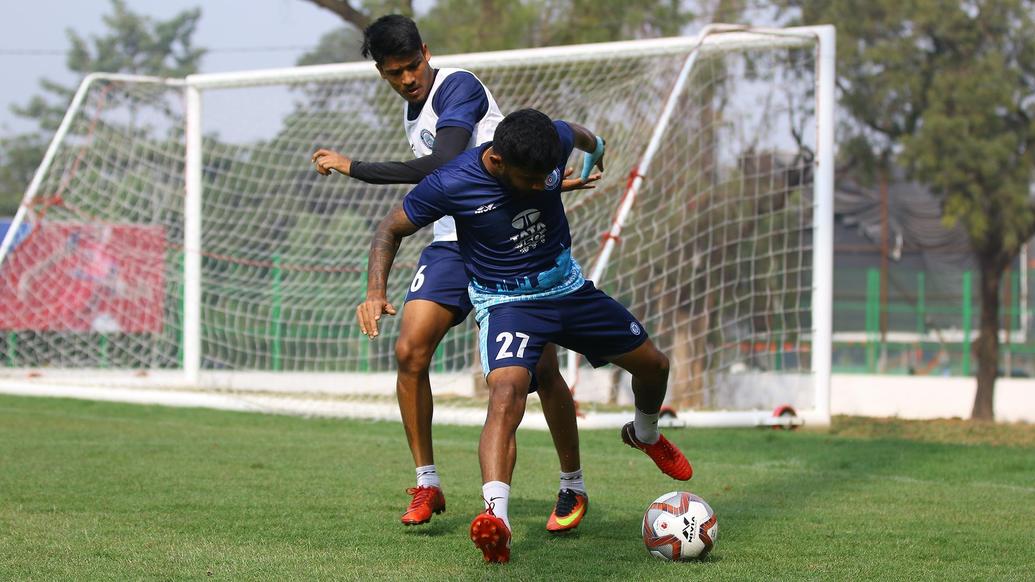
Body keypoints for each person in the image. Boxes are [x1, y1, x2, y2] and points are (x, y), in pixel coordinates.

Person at [357, 108, 693, 564]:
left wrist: (594, 158)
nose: (542, 186)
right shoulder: (451, 182)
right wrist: (376, 290)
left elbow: (587, 138)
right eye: (530, 180)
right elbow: (390, 229)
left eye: (546, 178)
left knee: (655, 366)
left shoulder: (548, 142)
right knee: (506, 393)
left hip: (568, 289)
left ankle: (646, 435)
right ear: (496, 162)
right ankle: (498, 520)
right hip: (507, 304)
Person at [310, 15, 598, 532]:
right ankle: (426, 482)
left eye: (412, 66)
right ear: (381, 72)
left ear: (426, 51)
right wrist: (375, 290)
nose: (406, 79)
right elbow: (421, 201)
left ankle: (571, 485)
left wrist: (356, 167)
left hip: (508, 243)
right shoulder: (412, 106)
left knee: (542, 373)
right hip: (452, 246)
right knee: (409, 351)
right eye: (393, 73)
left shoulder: (458, 87)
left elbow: (442, 163)